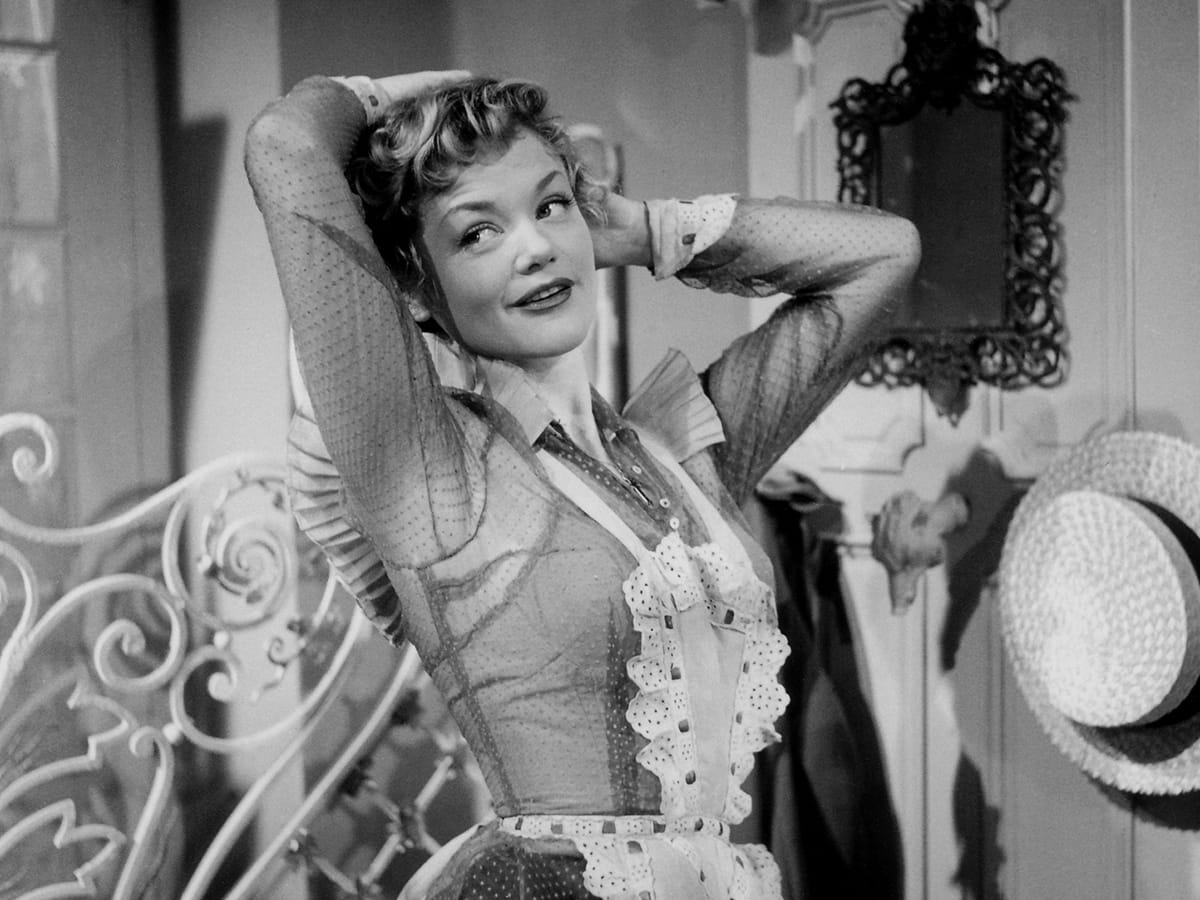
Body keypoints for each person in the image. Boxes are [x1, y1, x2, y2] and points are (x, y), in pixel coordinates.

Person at [245, 69, 919, 900]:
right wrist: (428, 88)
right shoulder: (433, 469)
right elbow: (285, 145)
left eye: (550, 206)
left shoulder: (679, 449)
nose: (534, 248)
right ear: (417, 280)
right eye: (478, 233)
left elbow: (885, 258)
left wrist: (642, 230)